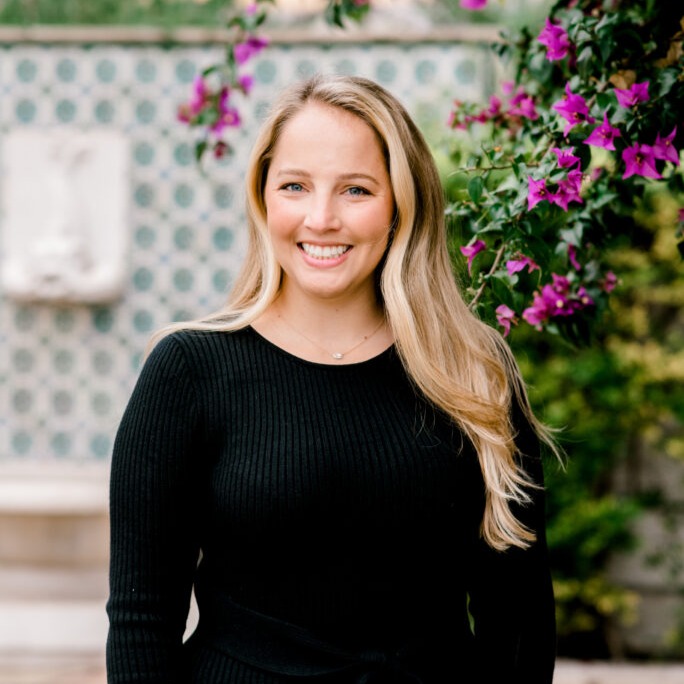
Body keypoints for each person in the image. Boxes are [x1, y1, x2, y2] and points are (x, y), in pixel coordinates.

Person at [106, 73, 561, 684]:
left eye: (356, 190)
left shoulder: (473, 371)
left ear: (401, 204)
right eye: (295, 186)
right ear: (263, 198)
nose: (321, 219)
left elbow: (520, 621)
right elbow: (141, 621)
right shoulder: (188, 371)